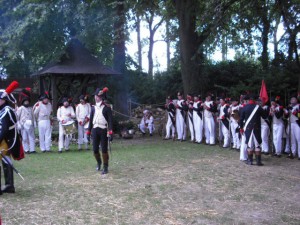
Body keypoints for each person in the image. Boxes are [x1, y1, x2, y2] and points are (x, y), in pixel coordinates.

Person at [0, 81, 24, 194]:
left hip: (5, 139)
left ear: (4, 100)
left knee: (6, 160)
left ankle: (9, 185)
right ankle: (9, 185)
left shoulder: (6, 110)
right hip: (4, 139)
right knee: (6, 160)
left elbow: (4, 129)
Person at [87, 87, 113, 174]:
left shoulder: (107, 107)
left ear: (101, 97)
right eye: (95, 96)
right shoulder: (93, 108)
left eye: (97, 96)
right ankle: (99, 163)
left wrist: (110, 132)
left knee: (104, 150)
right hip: (95, 129)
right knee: (95, 149)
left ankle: (105, 167)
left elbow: (110, 121)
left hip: (103, 130)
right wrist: (88, 131)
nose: (96, 97)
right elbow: (91, 120)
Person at [239, 95, 265, 166]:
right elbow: (265, 116)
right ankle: (258, 161)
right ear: (255, 100)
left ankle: (250, 161)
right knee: (257, 145)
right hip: (257, 128)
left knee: (249, 145)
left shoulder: (245, 107)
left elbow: (241, 119)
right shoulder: (258, 107)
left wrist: (241, 128)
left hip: (248, 128)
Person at [16, 88, 36, 154]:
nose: (26, 102)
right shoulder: (20, 108)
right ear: (23, 102)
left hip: (30, 124)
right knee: (24, 138)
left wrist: (34, 123)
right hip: (23, 124)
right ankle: (26, 149)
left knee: (31, 137)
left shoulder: (30, 108)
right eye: (25, 101)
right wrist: (18, 124)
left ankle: (32, 149)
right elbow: (17, 117)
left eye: (27, 101)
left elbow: (33, 116)